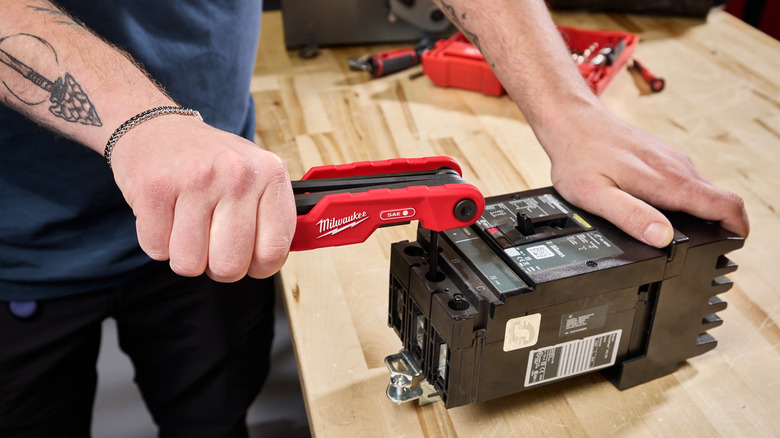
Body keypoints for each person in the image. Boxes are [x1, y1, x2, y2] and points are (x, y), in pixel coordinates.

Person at [0, 0, 749, 437]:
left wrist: (567, 109)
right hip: (23, 245)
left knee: (215, 417)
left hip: (233, 208)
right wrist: (140, 123)